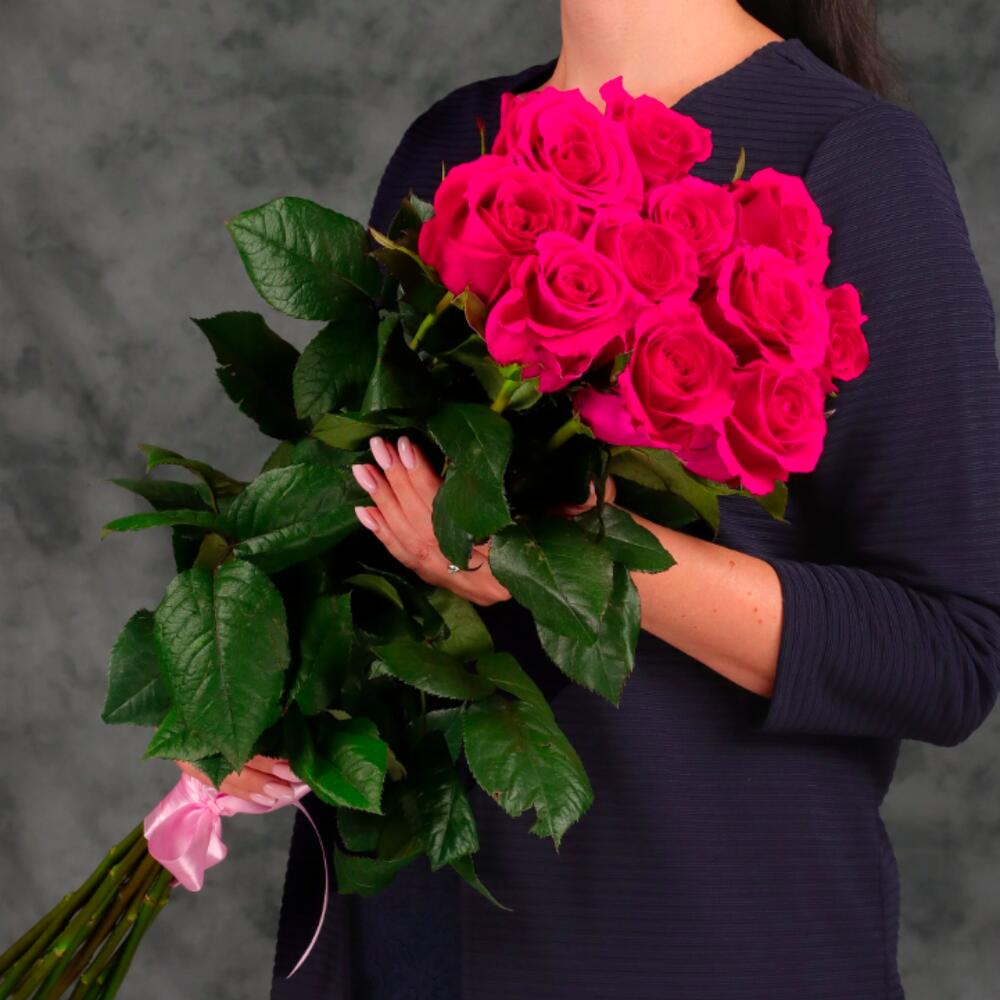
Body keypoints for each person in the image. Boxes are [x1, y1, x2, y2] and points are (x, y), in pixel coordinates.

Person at [190, 2, 1000, 997]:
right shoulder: (451, 145)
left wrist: (573, 554)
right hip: (415, 933)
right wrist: (250, 693)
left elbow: (945, 649)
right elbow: (369, 524)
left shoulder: (853, 158)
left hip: (698, 946)